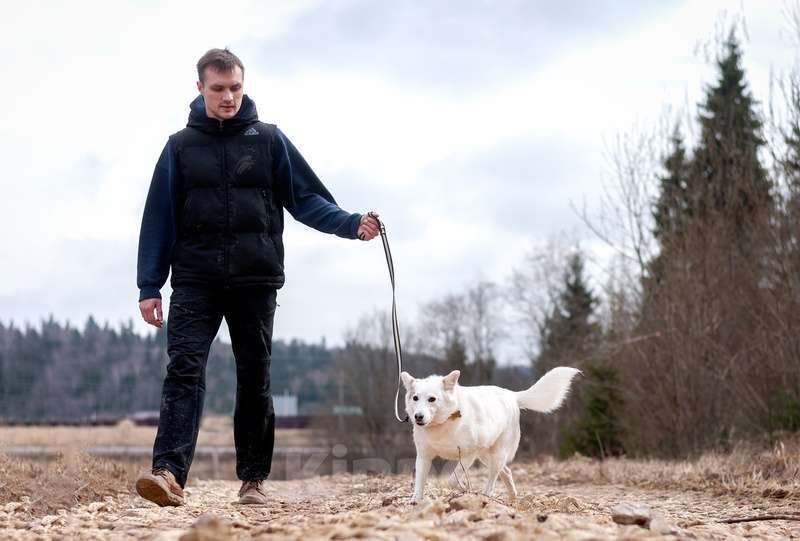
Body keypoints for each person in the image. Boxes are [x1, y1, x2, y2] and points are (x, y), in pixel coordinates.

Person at [134, 48, 379, 506]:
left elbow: (306, 199)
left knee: (255, 376)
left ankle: (252, 480)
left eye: (235, 88)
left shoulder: (268, 140)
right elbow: (158, 220)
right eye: (218, 89)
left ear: (243, 87)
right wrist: (150, 284)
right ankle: (167, 473)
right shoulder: (179, 147)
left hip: (255, 279)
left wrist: (351, 224)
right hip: (194, 280)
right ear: (200, 88)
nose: (228, 97)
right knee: (183, 371)